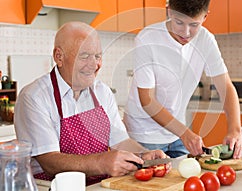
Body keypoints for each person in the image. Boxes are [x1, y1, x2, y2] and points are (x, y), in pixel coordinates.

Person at [14, 21, 169, 185]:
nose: (94, 64)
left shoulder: (102, 92)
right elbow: (50, 162)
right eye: (84, 56)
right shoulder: (34, 97)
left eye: (97, 56)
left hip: (99, 186)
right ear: (59, 57)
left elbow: (120, 141)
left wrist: (143, 154)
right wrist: (101, 162)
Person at [123, 0, 242, 158]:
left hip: (178, 132)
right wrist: (185, 133)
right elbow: (147, 100)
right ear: (168, 11)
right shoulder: (147, 39)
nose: (186, 33)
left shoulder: (206, 40)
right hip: (144, 134)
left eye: (194, 25)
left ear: (205, 17)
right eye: (179, 22)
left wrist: (235, 130)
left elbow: (225, 87)